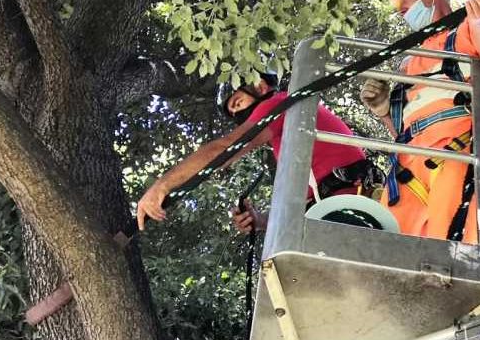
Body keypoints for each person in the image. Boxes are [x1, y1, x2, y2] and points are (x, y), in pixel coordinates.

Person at [360, 0, 480, 244]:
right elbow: (404, 133)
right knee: (394, 251)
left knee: (450, 249)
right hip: (407, 169)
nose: (402, 9)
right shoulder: (408, 63)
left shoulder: (463, 31)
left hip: (453, 155)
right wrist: (384, 110)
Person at [136, 71, 380, 233]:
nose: (238, 116)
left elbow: (223, 149)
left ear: (260, 86)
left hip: (346, 207)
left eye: (238, 103)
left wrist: (163, 185)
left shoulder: (277, 105)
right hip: (339, 208)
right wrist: (261, 221)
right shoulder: (292, 133)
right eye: (234, 115)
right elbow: (308, 201)